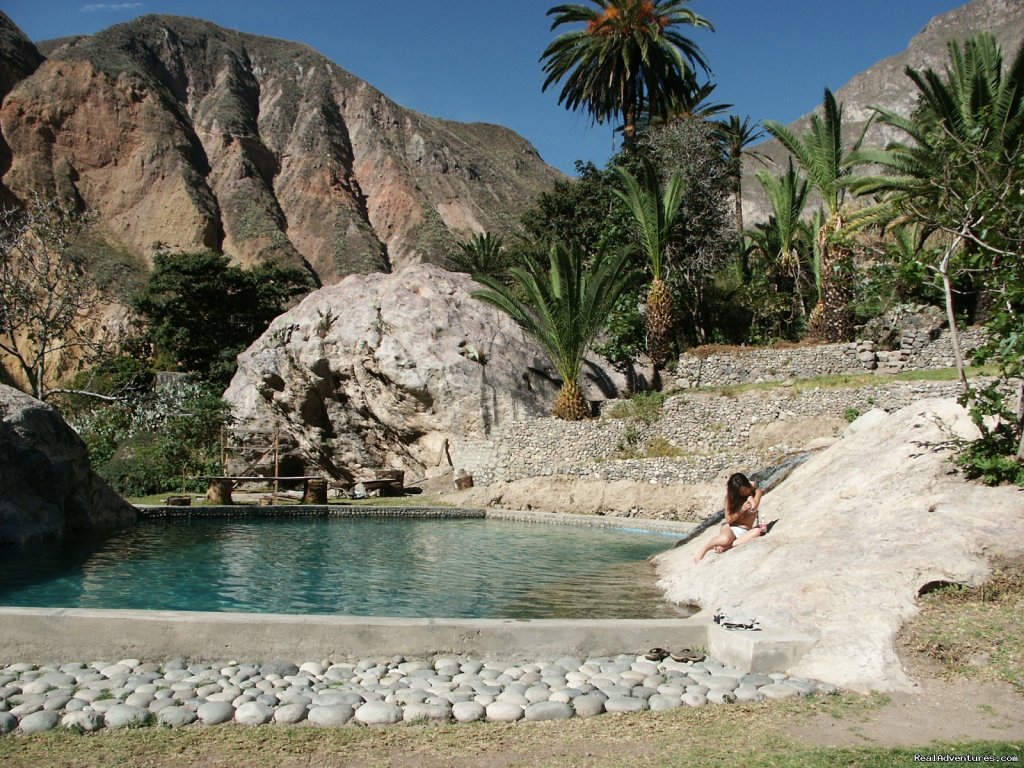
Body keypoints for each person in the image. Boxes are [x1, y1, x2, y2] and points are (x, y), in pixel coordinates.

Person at [693, 472, 765, 563]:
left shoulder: (756, 492)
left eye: (745, 490)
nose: (743, 494)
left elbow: (755, 505)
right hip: (731, 528)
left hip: (746, 531)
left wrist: (750, 495)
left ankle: (727, 547)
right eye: (740, 492)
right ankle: (705, 549)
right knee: (725, 539)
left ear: (748, 484)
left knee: (758, 531)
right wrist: (741, 510)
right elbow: (728, 519)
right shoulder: (730, 498)